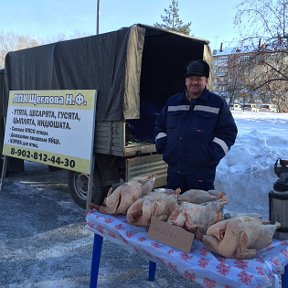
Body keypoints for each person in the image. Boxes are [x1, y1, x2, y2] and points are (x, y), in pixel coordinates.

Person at [154, 59, 238, 192]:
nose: (194, 82)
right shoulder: (173, 102)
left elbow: (228, 132)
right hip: (175, 171)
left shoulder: (217, 103)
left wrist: (210, 156)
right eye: (190, 78)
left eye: (199, 78)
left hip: (201, 174)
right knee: (173, 208)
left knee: (200, 209)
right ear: (185, 81)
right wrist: (164, 146)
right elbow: (160, 125)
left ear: (205, 81)